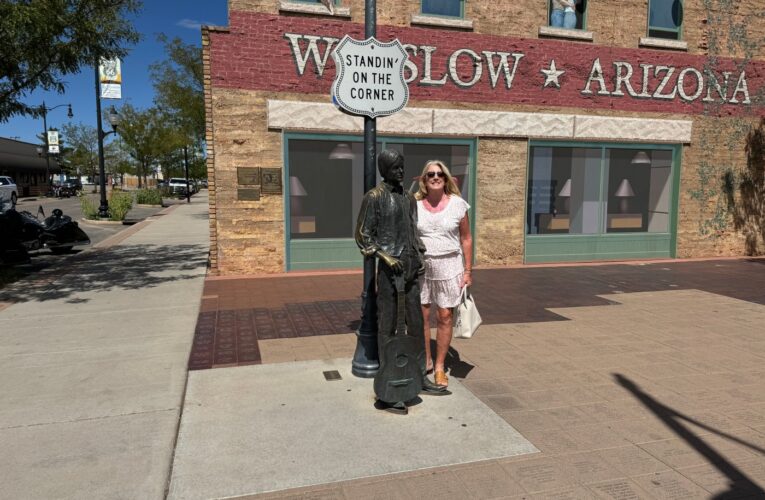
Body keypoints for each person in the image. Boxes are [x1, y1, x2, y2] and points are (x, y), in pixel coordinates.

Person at [355, 149, 447, 413]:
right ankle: (388, 386)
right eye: (395, 167)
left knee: (417, 324)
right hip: (388, 272)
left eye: (402, 167)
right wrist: (385, 257)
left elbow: (412, 230)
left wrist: (419, 256)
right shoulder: (374, 198)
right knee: (387, 325)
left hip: (409, 269)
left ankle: (420, 376)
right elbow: (363, 236)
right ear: (384, 170)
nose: (400, 171)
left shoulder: (408, 198)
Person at [415, 160, 472, 388]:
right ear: (424, 179)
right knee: (421, 317)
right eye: (430, 174)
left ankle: (439, 366)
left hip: (450, 266)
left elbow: (466, 238)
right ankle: (426, 361)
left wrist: (468, 270)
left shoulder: (458, 204)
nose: (435, 177)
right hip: (422, 268)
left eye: (440, 174)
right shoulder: (415, 204)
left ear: (446, 178)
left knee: (445, 316)